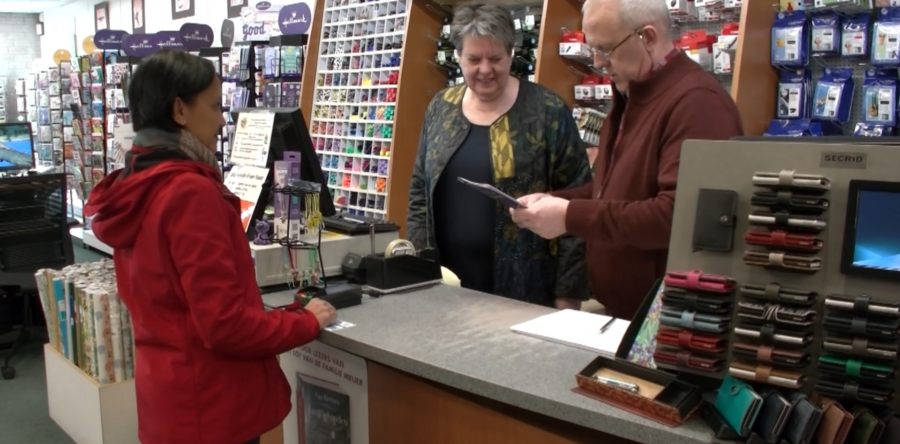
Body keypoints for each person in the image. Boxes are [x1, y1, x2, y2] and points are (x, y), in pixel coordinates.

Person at [83, 50, 338, 444]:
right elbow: (225, 325)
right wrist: (306, 320)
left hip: (171, 400)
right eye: (216, 106)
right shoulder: (188, 192)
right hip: (212, 406)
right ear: (180, 110)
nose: (222, 120)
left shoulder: (135, 186)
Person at [510, 0, 744, 319]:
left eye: (606, 49)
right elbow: (615, 191)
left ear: (647, 37)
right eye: (593, 49)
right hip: (630, 313)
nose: (597, 62)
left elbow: (677, 216)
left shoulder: (698, 104)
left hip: (670, 320)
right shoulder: (632, 94)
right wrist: (556, 202)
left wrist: (570, 216)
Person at [406, 2, 591, 309]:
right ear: (458, 56)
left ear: (511, 53)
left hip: (526, 290)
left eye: (495, 58)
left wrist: (568, 297)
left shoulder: (547, 112)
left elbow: (578, 203)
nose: (485, 70)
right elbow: (419, 191)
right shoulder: (441, 108)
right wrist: (418, 266)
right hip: (444, 287)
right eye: (473, 59)